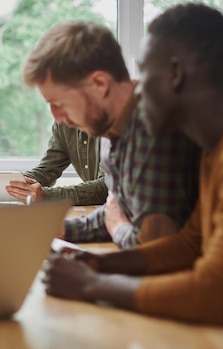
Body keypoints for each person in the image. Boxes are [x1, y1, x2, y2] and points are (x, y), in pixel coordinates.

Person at [43, 4, 223, 349]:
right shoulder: (220, 147)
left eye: (144, 75)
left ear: (175, 74)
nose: (136, 91)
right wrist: (102, 263)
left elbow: (216, 294)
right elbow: (191, 245)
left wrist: (91, 285)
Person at [20, 21, 201, 248]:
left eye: (58, 103)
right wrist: (60, 229)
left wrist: (117, 226)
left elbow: (152, 246)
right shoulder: (111, 128)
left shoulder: (154, 128)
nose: (57, 117)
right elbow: (115, 211)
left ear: (100, 84)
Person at [6, 122, 107, 206]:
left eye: (58, 103)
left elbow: (106, 187)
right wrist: (16, 183)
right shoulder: (63, 125)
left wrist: (47, 196)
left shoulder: (115, 125)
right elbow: (47, 170)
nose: (56, 115)